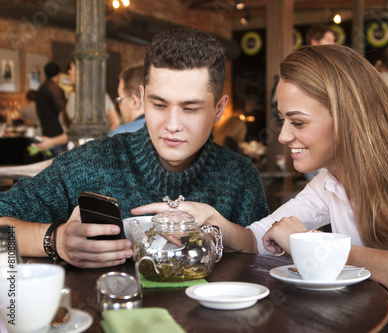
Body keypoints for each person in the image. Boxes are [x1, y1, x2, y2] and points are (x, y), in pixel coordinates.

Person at [134, 45, 388, 332]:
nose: (283, 135)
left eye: (298, 121)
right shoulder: (332, 181)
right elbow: (262, 237)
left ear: (346, 118)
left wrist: (313, 245)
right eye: (282, 119)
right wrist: (214, 221)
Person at [0, 28, 269, 268]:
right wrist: (55, 240)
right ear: (141, 98)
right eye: (159, 105)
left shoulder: (240, 177)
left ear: (218, 109)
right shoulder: (89, 164)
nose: (172, 125)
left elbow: (269, 263)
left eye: (190, 108)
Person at [64, 60, 121, 132]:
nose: (69, 72)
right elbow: (116, 122)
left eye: (71, 68)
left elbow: (78, 131)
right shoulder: (102, 95)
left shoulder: (75, 97)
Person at [34, 62, 67, 156]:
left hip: (45, 134)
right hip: (58, 136)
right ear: (58, 74)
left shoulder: (40, 90)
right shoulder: (56, 90)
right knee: (59, 167)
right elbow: (62, 113)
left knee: (47, 167)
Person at [108, 63, 146, 137]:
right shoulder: (168, 129)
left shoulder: (119, 136)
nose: (119, 106)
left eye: (120, 100)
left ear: (134, 102)